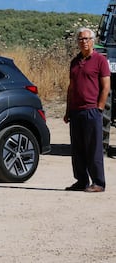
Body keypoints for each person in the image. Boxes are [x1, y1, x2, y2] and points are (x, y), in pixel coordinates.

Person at [63, 27, 111, 192]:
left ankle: (98, 182)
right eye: (80, 39)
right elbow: (71, 88)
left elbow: (106, 87)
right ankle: (81, 181)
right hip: (76, 111)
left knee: (93, 148)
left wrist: (99, 108)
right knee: (77, 149)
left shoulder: (100, 60)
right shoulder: (75, 62)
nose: (83, 42)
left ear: (93, 41)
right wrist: (68, 110)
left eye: (86, 39)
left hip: (92, 110)